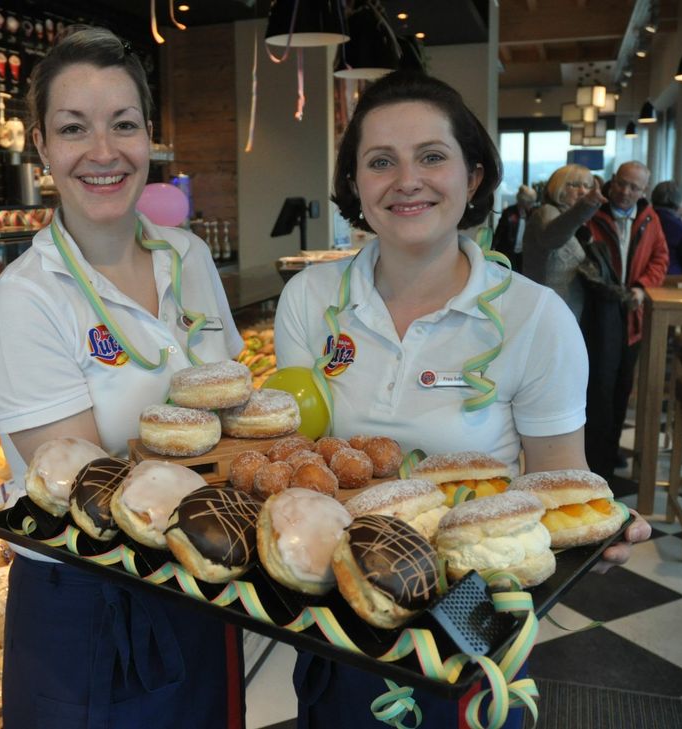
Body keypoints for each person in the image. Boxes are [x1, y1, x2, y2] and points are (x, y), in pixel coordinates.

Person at [275, 70, 650, 729]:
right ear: (355, 183)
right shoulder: (309, 300)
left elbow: (554, 484)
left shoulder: (535, 318)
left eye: (432, 157)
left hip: (472, 626)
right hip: (341, 613)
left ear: (473, 177)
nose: (406, 180)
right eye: (380, 161)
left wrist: (595, 532)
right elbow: (300, 466)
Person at [0, 27, 244, 729]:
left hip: (199, 578)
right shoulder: (26, 299)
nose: (103, 151)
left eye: (123, 124)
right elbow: (90, 496)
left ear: (149, 135)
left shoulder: (188, 257)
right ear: (40, 145)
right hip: (92, 608)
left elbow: (233, 410)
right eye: (74, 128)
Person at [583, 161, 668, 478]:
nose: (625, 191)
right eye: (621, 183)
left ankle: (611, 448)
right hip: (599, 311)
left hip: (632, 312)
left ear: (644, 191)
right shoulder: (594, 211)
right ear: (612, 181)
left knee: (622, 386)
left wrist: (642, 288)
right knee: (599, 387)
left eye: (634, 187)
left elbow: (660, 257)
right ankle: (595, 459)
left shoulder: (649, 218)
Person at [522, 164, 605, 320]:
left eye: (587, 186)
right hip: (549, 312)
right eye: (575, 185)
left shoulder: (574, 220)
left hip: (562, 310)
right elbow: (551, 238)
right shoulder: (547, 211)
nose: (583, 191)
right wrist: (585, 206)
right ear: (558, 187)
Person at [492, 183, 537, 273]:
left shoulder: (532, 215)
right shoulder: (509, 213)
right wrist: (493, 248)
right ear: (524, 201)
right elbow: (499, 232)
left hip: (522, 253)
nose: (532, 205)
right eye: (530, 203)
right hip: (507, 252)